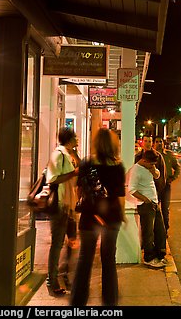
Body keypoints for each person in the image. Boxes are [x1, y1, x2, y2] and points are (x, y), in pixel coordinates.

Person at [70, 128, 126, 306]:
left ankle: (78, 302)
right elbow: (120, 196)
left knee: (85, 259)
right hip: (111, 217)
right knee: (108, 259)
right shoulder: (117, 166)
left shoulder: (86, 163)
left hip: (89, 216)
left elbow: (78, 189)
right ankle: (110, 302)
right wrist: (122, 215)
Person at [45, 127, 79, 296]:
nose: (78, 140)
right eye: (75, 137)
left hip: (70, 206)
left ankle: (66, 275)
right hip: (59, 205)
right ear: (69, 139)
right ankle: (52, 280)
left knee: (72, 241)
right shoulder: (58, 154)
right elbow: (52, 178)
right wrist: (74, 173)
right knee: (57, 244)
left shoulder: (70, 154)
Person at [128, 149, 168, 268]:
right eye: (151, 164)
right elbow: (132, 189)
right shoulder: (136, 170)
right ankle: (149, 258)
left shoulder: (149, 168)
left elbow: (157, 175)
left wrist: (153, 169)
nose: (153, 166)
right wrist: (145, 199)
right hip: (146, 205)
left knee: (160, 230)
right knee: (148, 232)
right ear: (144, 160)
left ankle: (159, 255)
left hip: (154, 203)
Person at [154, 137, 181, 235]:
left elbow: (177, 167)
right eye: (156, 142)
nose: (159, 143)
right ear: (154, 144)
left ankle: (165, 231)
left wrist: (173, 178)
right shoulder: (151, 155)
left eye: (160, 142)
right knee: (154, 209)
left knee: (165, 210)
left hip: (166, 186)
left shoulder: (168, 155)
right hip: (154, 186)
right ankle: (156, 231)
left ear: (163, 143)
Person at [134, 135, 167, 201]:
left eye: (149, 141)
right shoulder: (138, 156)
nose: (147, 143)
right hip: (142, 190)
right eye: (145, 141)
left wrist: (158, 189)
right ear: (142, 142)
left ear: (152, 143)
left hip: (155, 189)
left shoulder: (158, 156)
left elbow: (162, 174)